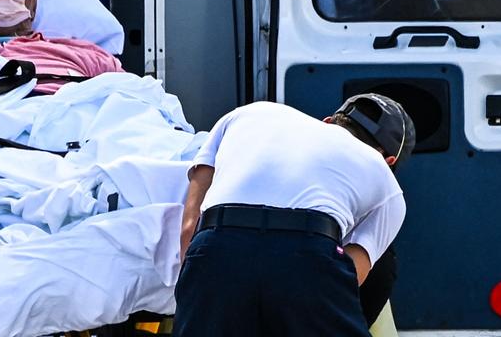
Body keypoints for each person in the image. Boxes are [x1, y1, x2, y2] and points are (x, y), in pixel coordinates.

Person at [173, 94, 415, 337]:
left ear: (328, 121)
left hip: (217, 245)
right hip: (306, 255)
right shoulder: (388, 187)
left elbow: (190, 226)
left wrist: (204, 287)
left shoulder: (249, 114)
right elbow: (351, 276)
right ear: (389, 160)